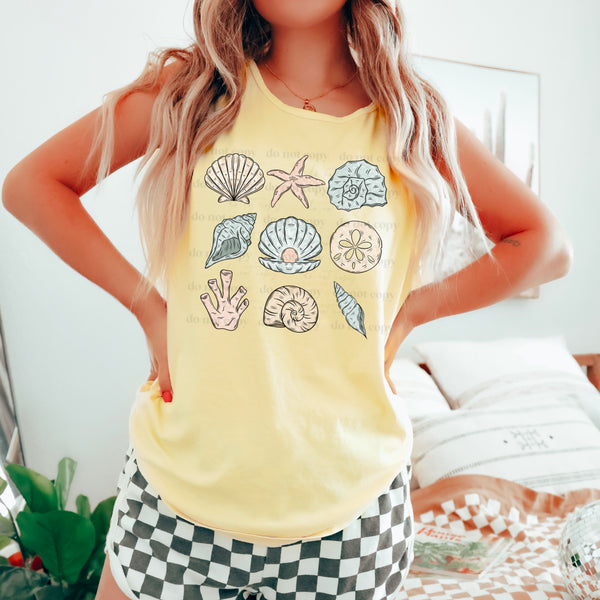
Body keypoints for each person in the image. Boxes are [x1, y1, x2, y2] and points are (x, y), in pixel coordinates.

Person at [2, 1, 573, 599]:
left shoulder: (411, 114)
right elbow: (31, 185)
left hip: (350, 514)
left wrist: (414, 310)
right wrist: (147, 304)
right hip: (178, 491)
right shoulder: (195, 90)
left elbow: (546, 246)